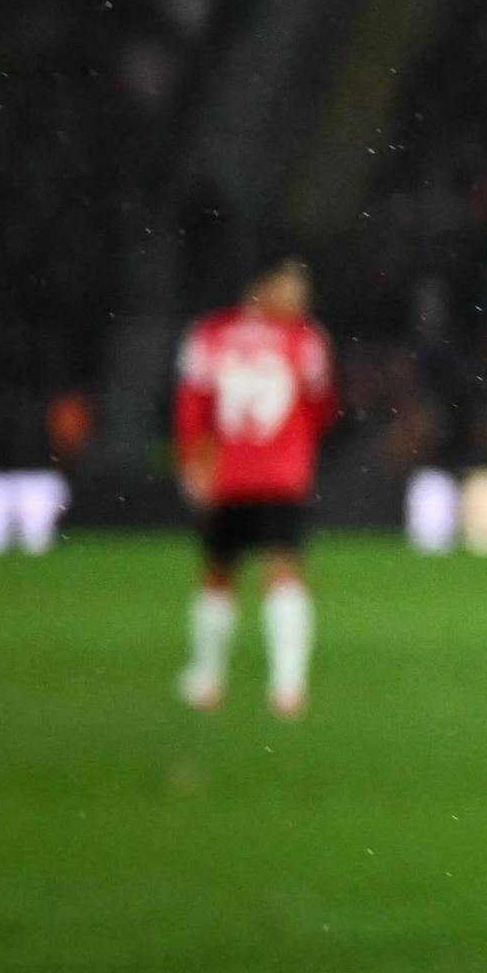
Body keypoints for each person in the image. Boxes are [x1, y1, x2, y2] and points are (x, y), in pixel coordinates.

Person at [174, 257, 337, 720]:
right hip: (282, 475)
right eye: (290, 287)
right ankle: (287, 686)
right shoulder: (305, 340)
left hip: (226, 475)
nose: (298, 298)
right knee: (282, 570)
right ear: (261, 288)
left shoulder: (208, 335)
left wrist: (193, 464)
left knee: (218, 575)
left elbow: (192, 407)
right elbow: (322, 405)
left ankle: (207, 679)